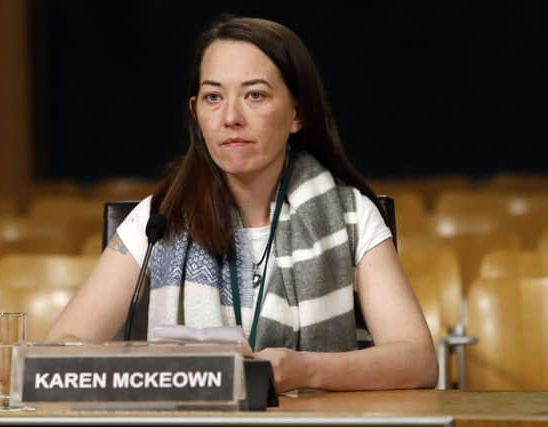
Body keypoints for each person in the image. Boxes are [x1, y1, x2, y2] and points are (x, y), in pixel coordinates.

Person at [46, 15, 438, 392]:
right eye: (213, 97)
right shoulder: (160, 219)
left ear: (297, 113)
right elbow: (62, 344)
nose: (231, 117)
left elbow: (418, 360)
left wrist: (306, 370)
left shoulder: (350, 216)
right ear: (195, 113)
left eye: (255, 95)